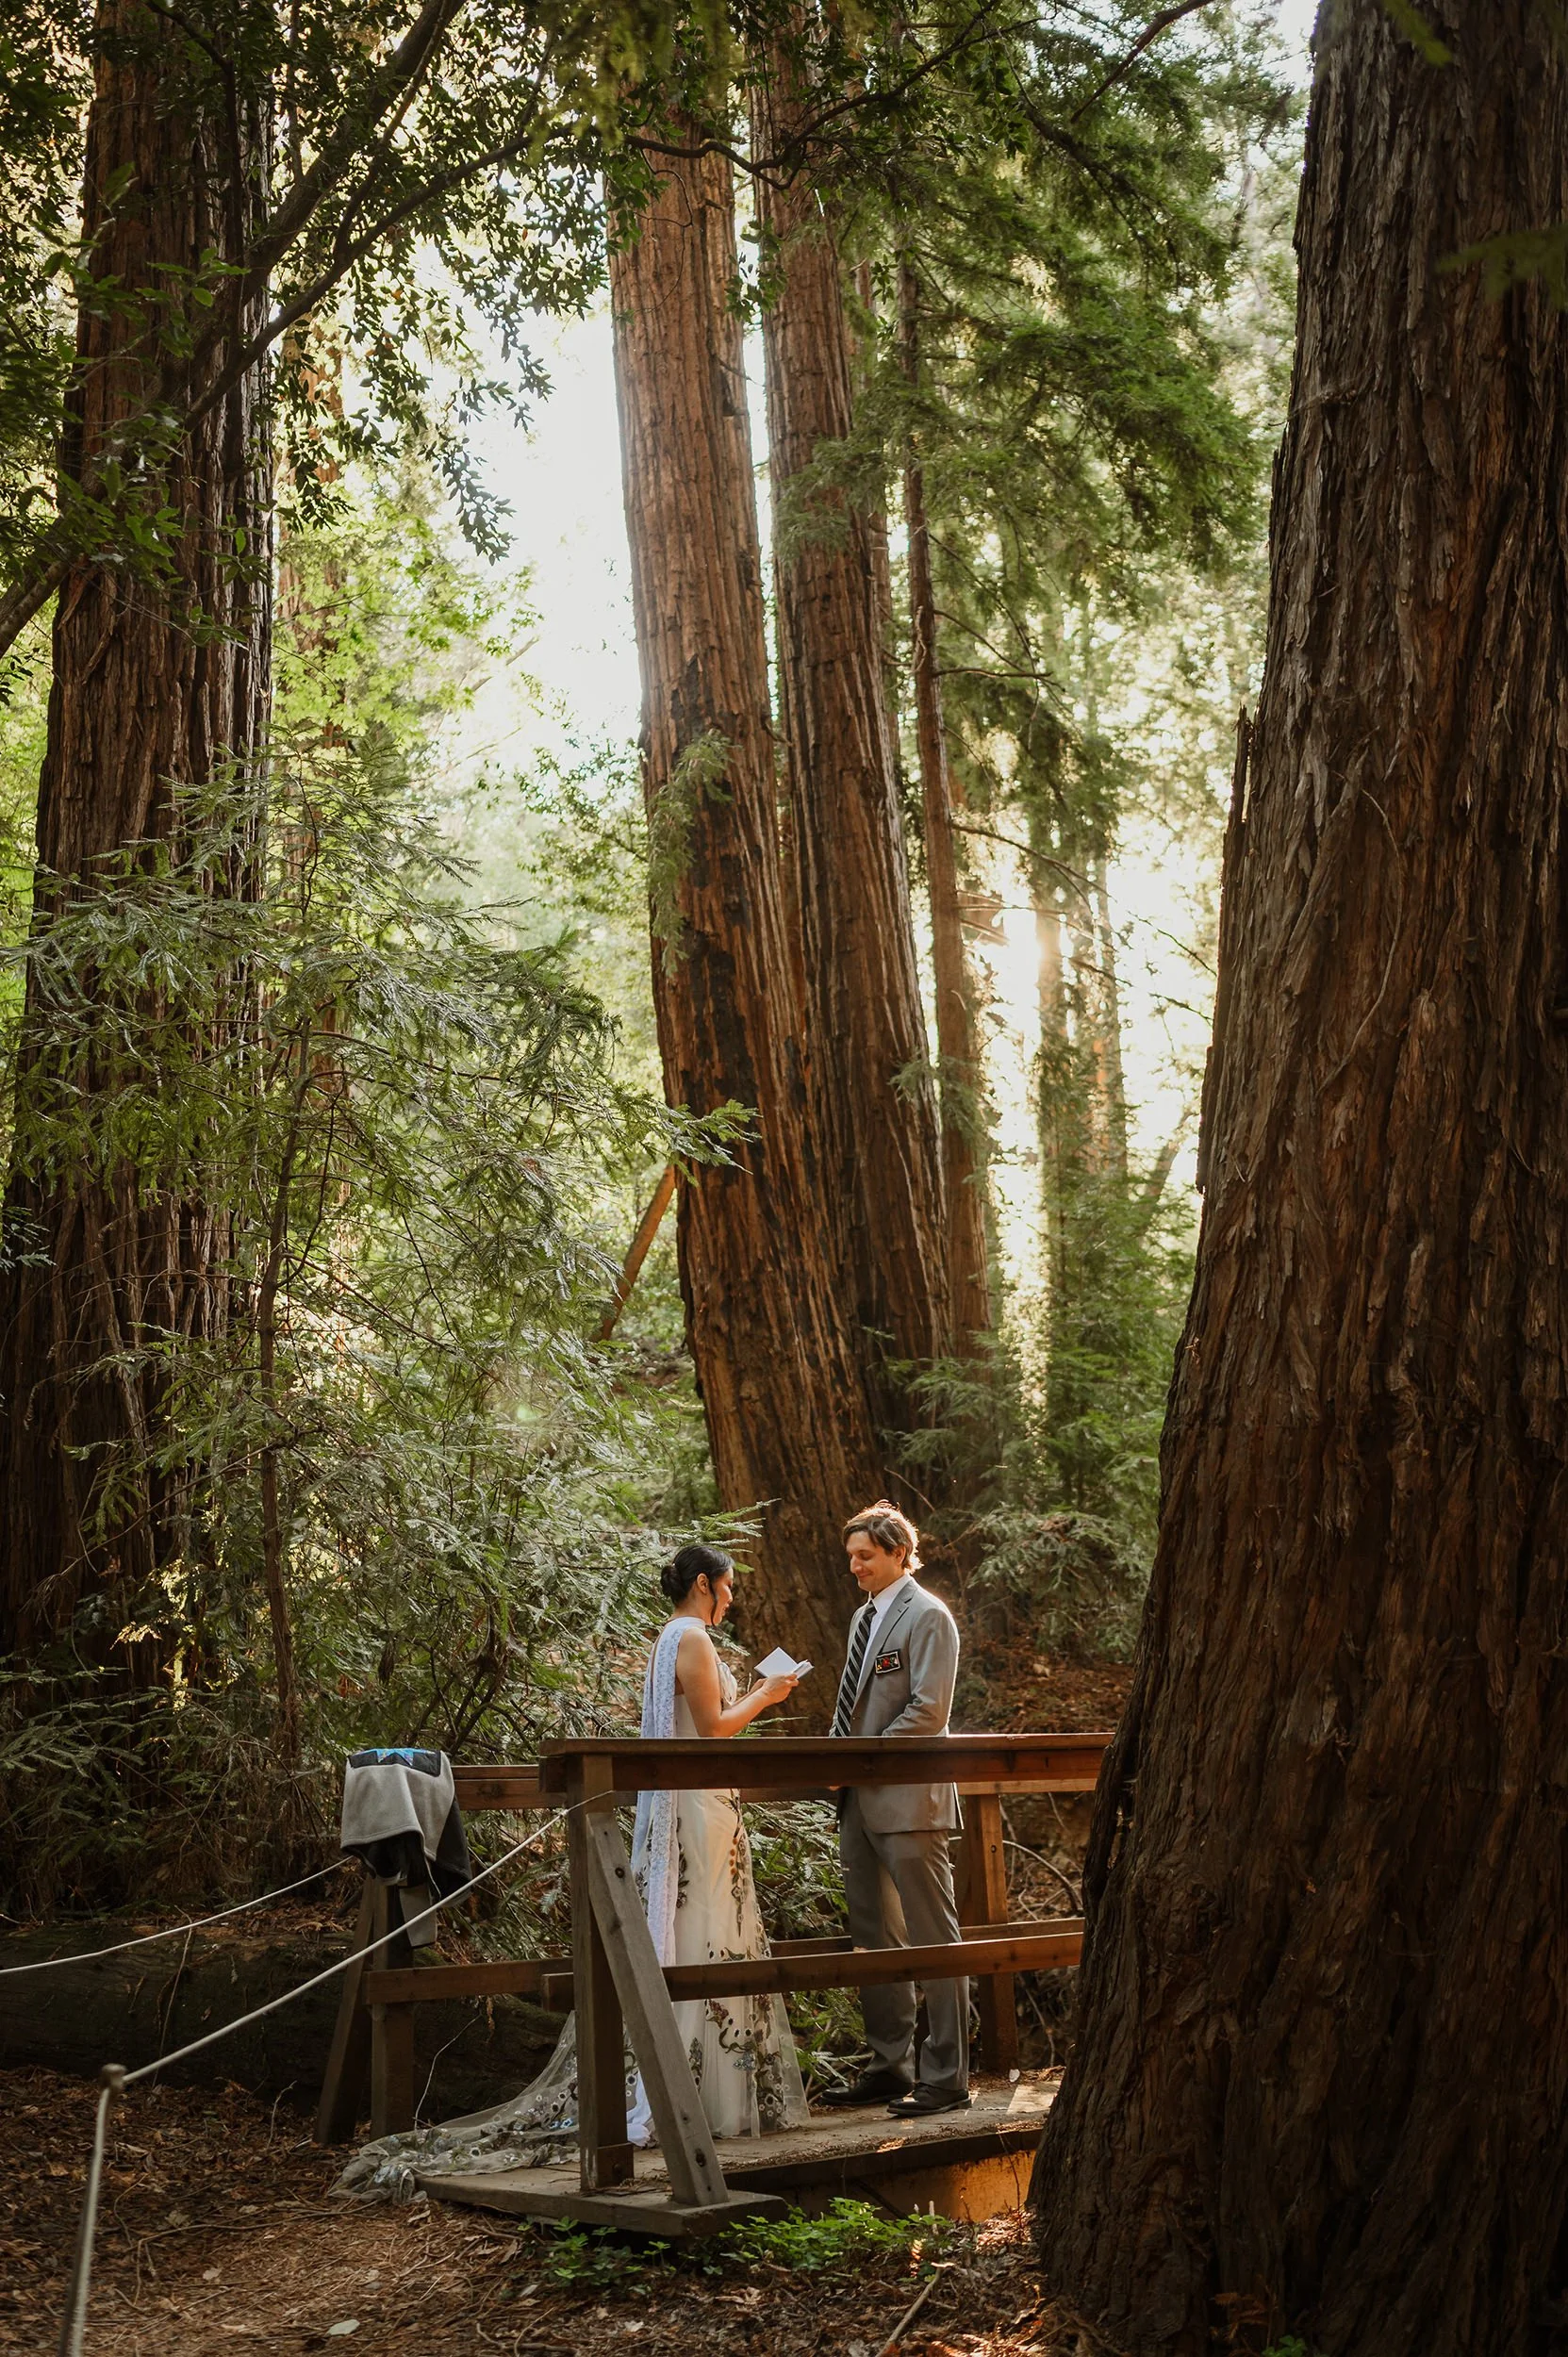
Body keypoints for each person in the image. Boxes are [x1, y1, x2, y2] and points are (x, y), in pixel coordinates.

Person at [627, 1541, 810, 2145]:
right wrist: (766, 1694)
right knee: (711, 1926)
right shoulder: (693, 1637)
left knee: (700, 1926)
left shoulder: (668, 1638)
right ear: (703, 1584)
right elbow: (711, 1730)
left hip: (698, 1803)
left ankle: (693, 2084)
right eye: (727, 1588)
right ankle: (709, 2100)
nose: (730, 1600)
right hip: (702, 1804)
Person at [820, 1501, 969, 2118]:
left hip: (910, 1801)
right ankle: (889, 2067)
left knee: (933, 1939)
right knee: (873, 1940)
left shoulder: (928, 1616)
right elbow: (854, 1699)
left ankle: (947, 2075)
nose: (854, 1566)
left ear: (899, 1555)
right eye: (850, 1556)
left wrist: (859, 1759)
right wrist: (830, 1763)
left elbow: (927, 1712)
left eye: (866, 1556)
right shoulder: (862, 1619)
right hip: (858, 1801)